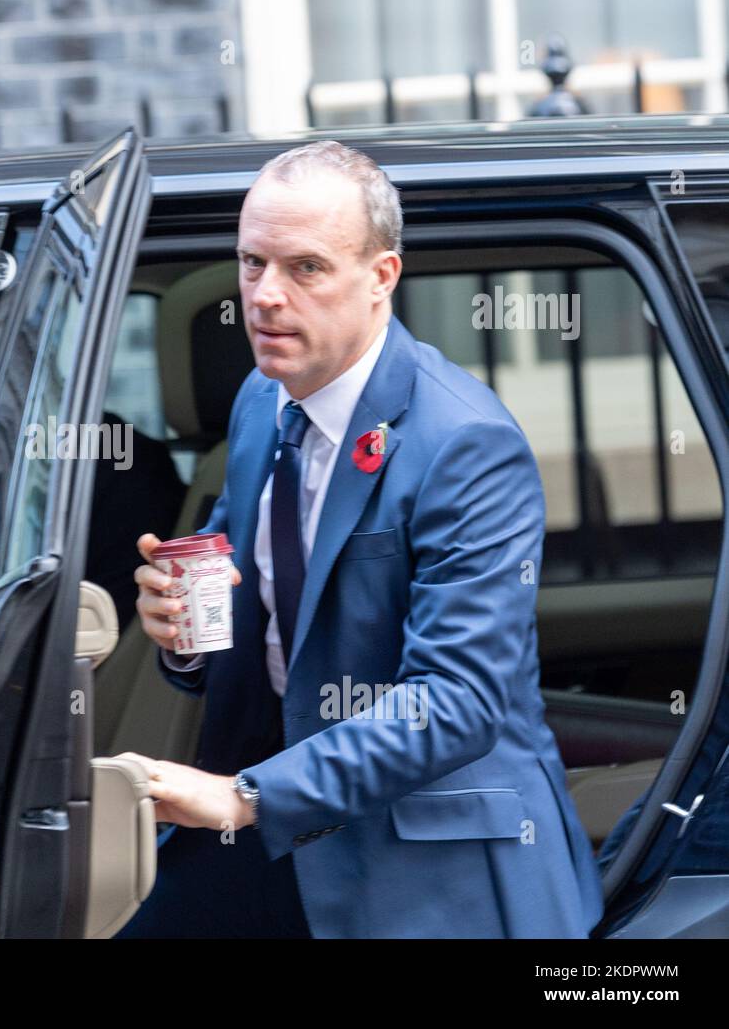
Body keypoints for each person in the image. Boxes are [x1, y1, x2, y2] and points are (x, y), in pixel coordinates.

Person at [114, 140, 604, 939]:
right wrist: (182, 632)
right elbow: (256, 583)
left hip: (427, 861)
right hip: (274, 826)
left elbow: (460, 700)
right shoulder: (260, 398)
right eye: (251, 263)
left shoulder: (464, 441)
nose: (264, 296)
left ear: (382, 278)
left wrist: (243, 797)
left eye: (304, 267)